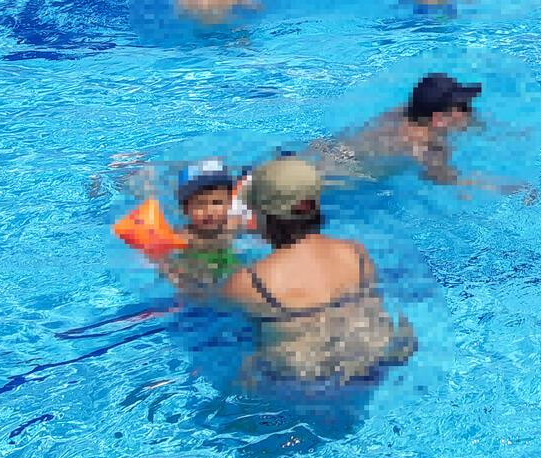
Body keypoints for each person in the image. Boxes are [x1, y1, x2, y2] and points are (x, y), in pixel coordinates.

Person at [217, 157, 416, 387]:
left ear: (264, 216)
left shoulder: (249, 282)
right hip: (375, 366)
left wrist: (220, 245)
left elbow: (210, 305)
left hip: (303, 384)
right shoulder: (356, 253)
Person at [311, 73, 491, 187]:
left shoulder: (408, 110)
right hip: (328, 177)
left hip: (321, 150)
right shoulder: (425, 147)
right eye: (464, 107)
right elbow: (453, 182)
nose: (470, 111)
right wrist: (507, 188)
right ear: (438, 118)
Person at [156, 162, 248, 297]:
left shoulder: (234, 223)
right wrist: (177, 279)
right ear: (185, 209)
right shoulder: (185, 237)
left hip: (229, 270)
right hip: (197, 279)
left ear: (230, 204)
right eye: (200, 204)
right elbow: (164, 262)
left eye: (216, 203)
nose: (209, 212)